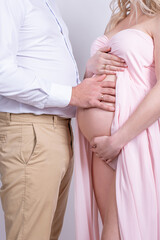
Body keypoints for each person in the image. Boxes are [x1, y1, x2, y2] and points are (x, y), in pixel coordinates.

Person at [0, 0, 126, 239]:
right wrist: (72, 94)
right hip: (32, 131)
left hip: (56, 132)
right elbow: (1, 73)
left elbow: (44, 66)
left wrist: (86, 72)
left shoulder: (48, 5)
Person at [76, 0, 160, 239]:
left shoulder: (158, 21)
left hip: (130, 136)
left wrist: (117, 141)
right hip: (100, 144)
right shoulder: (116, 22)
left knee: (121, 228)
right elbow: (95, 79)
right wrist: (89, 68)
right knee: (111, 227)